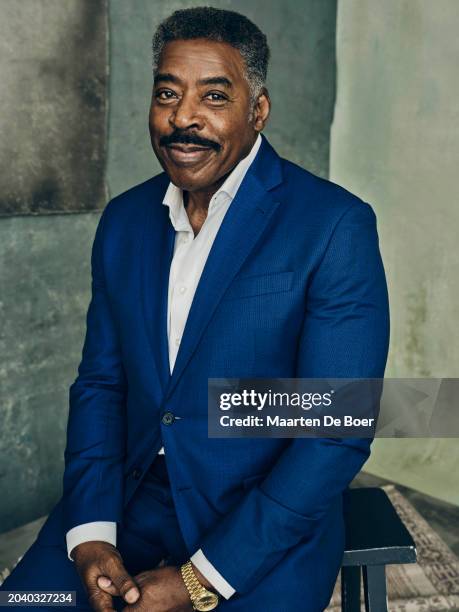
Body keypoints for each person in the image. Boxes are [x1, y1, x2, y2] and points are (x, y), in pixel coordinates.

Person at [1, 7, 389, 611]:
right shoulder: (126, 221)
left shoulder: (334, 226)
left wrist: (198, 581)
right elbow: (102, 386)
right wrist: (93, 536)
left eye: (214, 96)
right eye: (167, 93)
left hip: (261, 519)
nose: (184, 118)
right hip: (130, 497)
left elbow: (334, 431)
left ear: (257, 111)